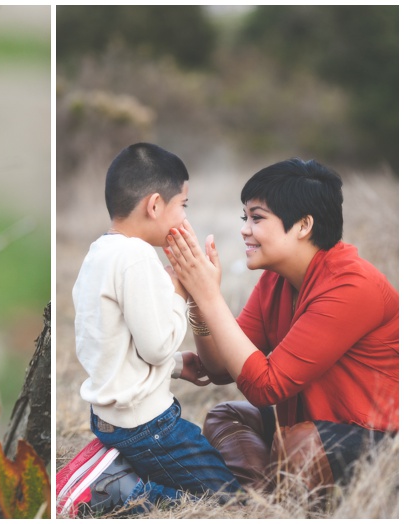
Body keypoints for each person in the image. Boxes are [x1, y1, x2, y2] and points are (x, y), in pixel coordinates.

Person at [164, 158, 398, 493]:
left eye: (257, 218)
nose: (245, 229)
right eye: (244, 217)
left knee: (300, 446)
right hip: (303, 430)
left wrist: (209, 294)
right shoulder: (276, 280)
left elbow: (265, 387)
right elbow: (219, 370)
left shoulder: (352, 287)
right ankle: (258, 501)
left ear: (303, 225)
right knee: (226, 416)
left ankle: (273, 493)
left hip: (376, 440)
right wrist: (199, 305)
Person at [57, 143, 242, 517]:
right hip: (146, 425)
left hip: (109, 418)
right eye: (183, 206)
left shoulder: (100, 253)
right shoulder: (137, 258)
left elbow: (116, 342)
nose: (185, 217)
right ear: (155, 205)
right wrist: (179, 291)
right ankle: (117, 489)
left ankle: (118, 467)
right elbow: (156, 347)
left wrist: (176, 366)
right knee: (231, 497)